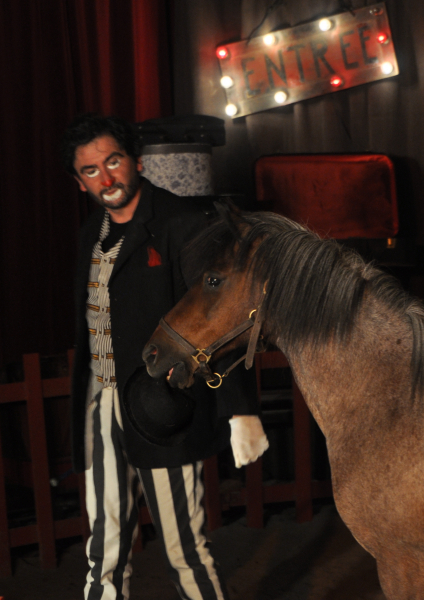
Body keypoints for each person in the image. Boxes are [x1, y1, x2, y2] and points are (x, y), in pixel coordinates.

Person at [62, 113, 269, 600]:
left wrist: (240, 409)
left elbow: (219, 314)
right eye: (91, 170)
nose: (106, 178)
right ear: (79, 181)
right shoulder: (90, 234)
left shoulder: (181, 221)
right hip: (100, 402)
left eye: (113, 161)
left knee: (184, 548)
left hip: (162, 405)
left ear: (136, 161)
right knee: (104, 548)